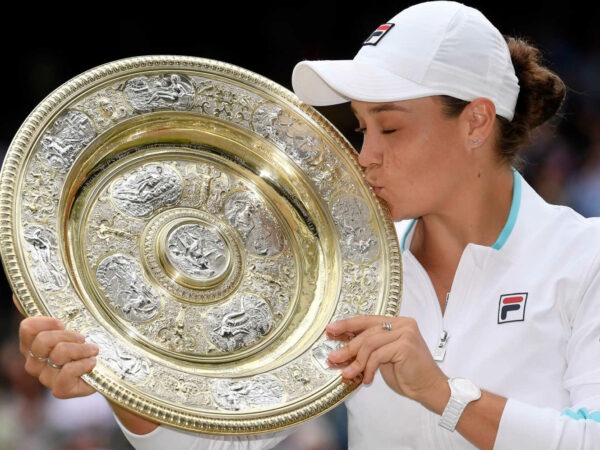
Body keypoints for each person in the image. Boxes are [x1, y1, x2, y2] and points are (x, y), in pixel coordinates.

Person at [14, 1, 600, 449]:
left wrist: (441, 394)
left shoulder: (584, 257)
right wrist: (119, 383)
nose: (364, 155)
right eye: (362, 128)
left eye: (389, 128)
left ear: (475, 123)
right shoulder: (345, 274)